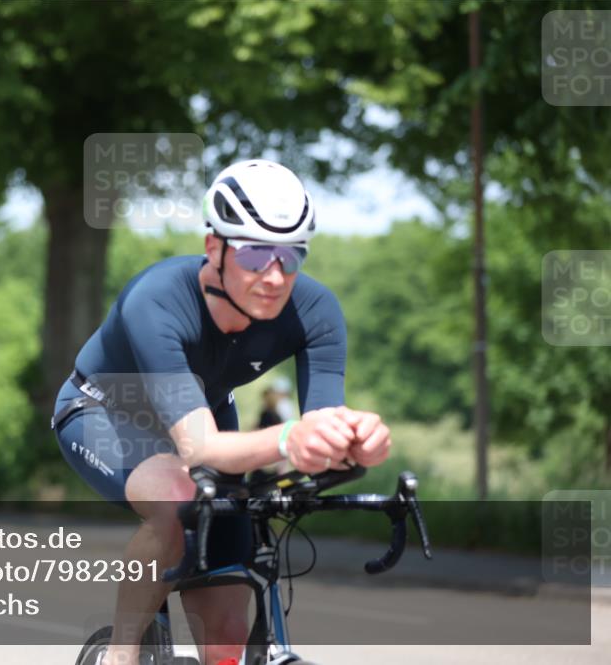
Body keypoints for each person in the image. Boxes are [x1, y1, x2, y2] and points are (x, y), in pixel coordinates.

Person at [52, 159, 392, 665]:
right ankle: (120, 656)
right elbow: (199, 448)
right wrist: (286, 440)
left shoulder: (316, 311)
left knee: (228, 637)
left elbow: (320, 425)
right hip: (104, 412)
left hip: (207, 415)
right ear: (215, 248)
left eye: (290, 256)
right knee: (175, 498)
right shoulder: (157, 299)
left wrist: (354, 442)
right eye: (256, 255)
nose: (274, 277)